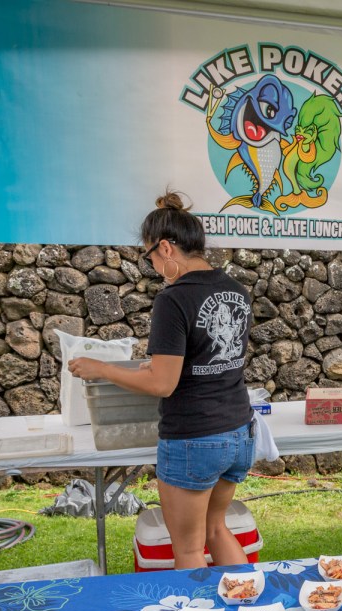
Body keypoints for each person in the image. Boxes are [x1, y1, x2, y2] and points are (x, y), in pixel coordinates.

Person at [69, 192, 254, 569]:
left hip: (194, 437)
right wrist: (154, 369)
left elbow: (162, 384)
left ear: (166, 248)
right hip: (238, 429)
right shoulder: (235, 290)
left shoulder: (174, 299)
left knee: (188, 549)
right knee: (217, 529)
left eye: (149, 256)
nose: (151, 265)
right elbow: (208, 358)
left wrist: (101, 368)